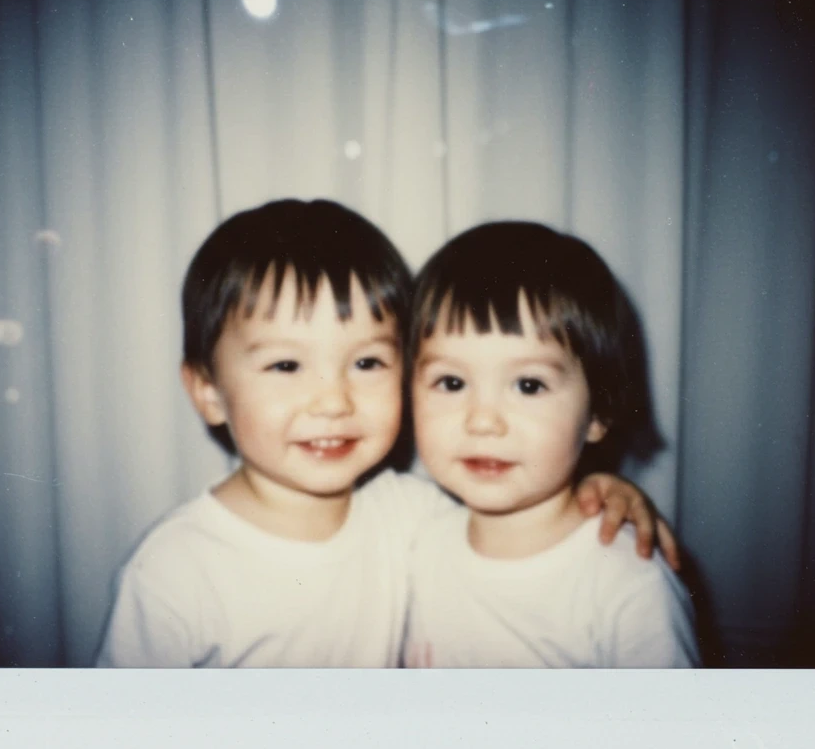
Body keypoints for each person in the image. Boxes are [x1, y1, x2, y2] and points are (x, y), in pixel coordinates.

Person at [96, 200, 675, 667]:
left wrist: (603, 485)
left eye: (367, 363)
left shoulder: (411, 518)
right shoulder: (174, 571)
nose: (333, 401)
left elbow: (528, 514)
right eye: (286, 365)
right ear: (207, 390)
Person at [403, 222, 699, 668]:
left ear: (598, 413)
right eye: (451, 382)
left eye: (529, 385)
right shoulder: (416, 541)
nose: (482, 421)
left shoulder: (629, 584)